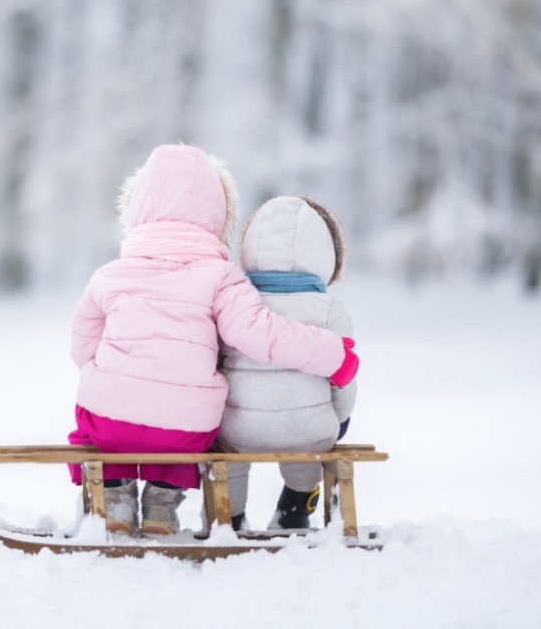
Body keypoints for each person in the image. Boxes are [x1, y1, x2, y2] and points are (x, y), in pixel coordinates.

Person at [68, 145, 358, 535]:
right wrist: (332, 354)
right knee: (185, 418)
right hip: (186, 430)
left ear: (137, 207)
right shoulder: (222, 277)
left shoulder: (109, 275)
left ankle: (115, 495)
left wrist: (109, 374)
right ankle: (161, 504)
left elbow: (81, 345)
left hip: (111, 422)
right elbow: (258, 333)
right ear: (219, 215)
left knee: (97, 416)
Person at [216, 194, 358, 532]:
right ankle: (295, 507)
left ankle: (230, 515)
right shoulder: (330, 310)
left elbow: (216, 363)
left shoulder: (235, 304)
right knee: (310, 435)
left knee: (229, 454)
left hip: (239, 428)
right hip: (309, 428)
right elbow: (344, 380)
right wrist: (338, 420)